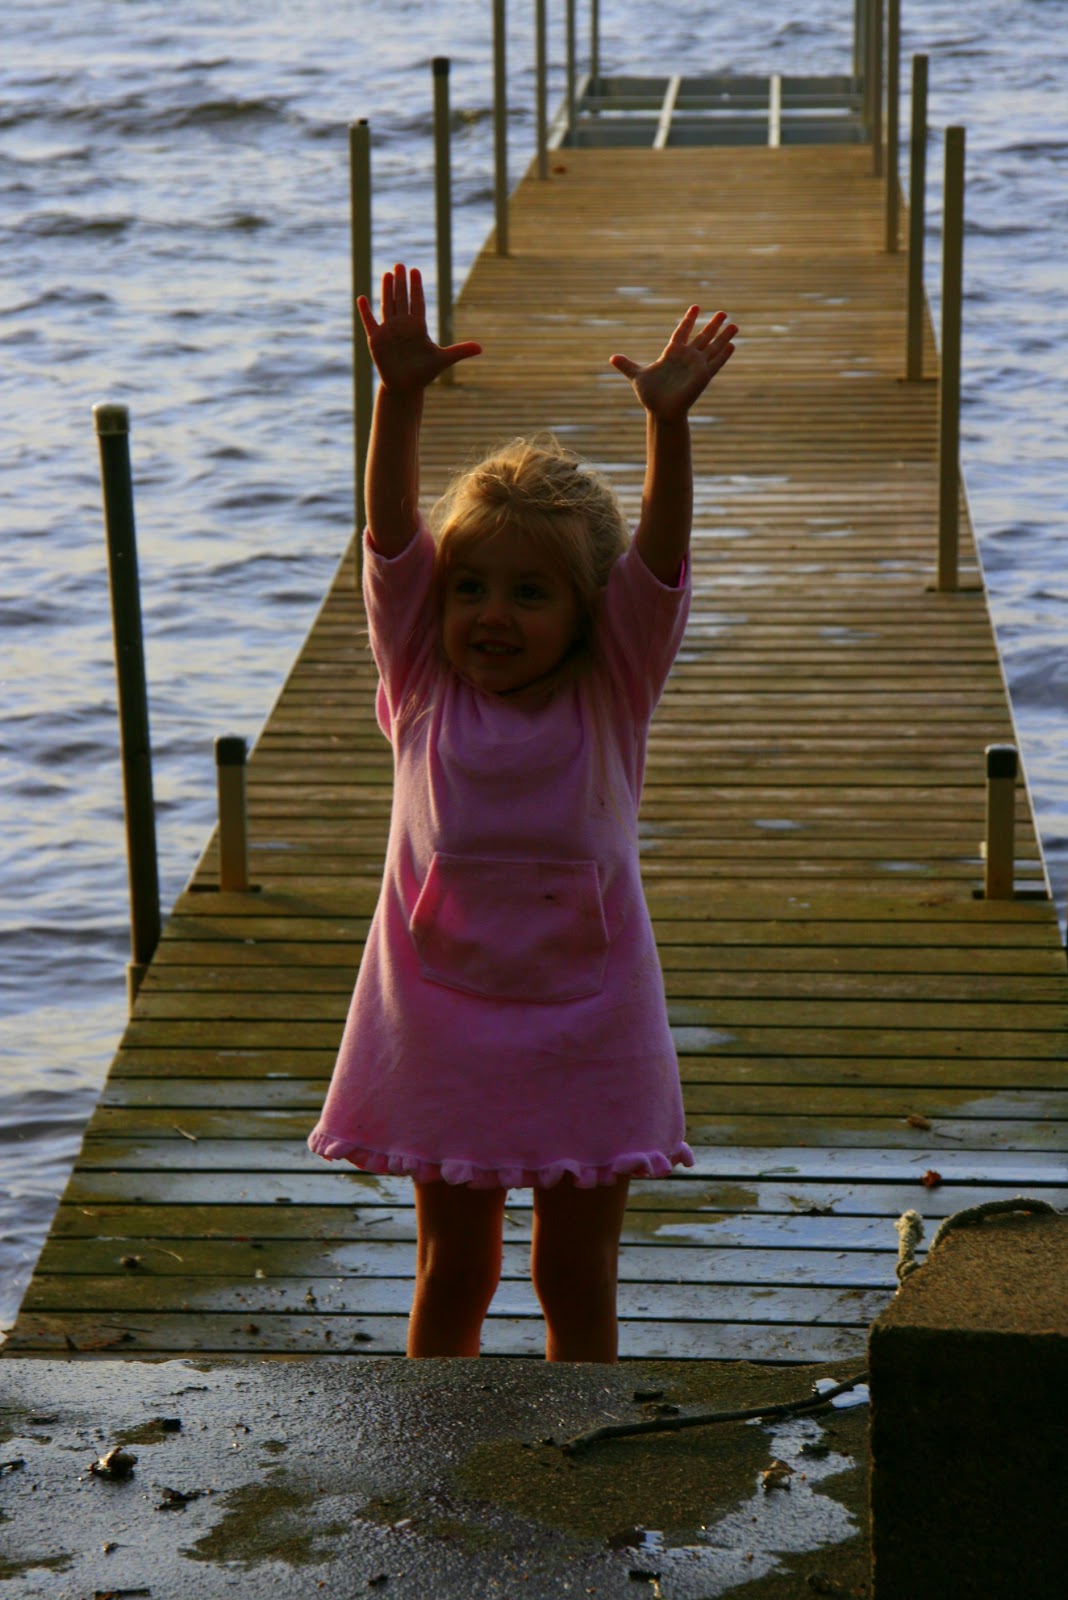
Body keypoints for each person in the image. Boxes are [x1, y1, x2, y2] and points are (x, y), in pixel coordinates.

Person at [308, 263, 737, 1362]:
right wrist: (398, 398)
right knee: (454, 1269)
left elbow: (659, 566)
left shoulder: (612, 688)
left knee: (572, 1276)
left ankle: (578, 1451)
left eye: (530, 593)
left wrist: (668, 428)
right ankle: (437, 1445)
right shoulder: (420, 680)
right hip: (439, 1019)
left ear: (586, 612)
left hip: (590, 1021)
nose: (492, 615)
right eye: (472, 588)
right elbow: (391, 544)